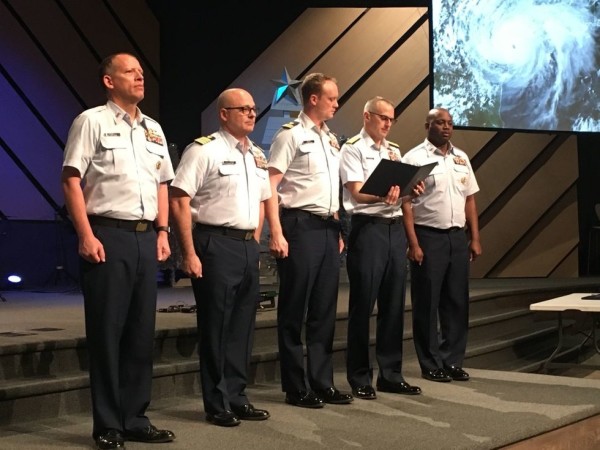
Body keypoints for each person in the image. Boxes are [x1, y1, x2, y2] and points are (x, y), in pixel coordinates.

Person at [61, 52, 175, 449]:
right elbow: (71, 180)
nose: (140, 77)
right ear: (109, 81)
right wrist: (85, 234)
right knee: (107, 332)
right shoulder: (91, 121)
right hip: (107, 234)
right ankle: (108, 424)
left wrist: (163, 231)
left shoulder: (153, 129)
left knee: (141, 333)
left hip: (145, 237)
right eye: (130, 72)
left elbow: (162, 184)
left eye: (142, 72)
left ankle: (135, 418)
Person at [169, 88, 271, 427]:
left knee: (243, 326)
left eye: (253, 108)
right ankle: (216, 403)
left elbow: (262, 200)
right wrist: (189, 252)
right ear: (224, 114)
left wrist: (254, 240)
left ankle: (238, 396)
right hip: (215, 242)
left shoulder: (257, 154)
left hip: (246, 245)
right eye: (243, 109)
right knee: (216, 327)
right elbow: (179, 199)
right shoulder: (204, 150)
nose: (252, 113)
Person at [266, 72, 353, 408]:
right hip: (299, 225)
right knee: (294, 309)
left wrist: (339, 228)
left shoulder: (330, 139)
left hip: (328, 228)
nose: (337, 104)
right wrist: (276, 231)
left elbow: (334, 188)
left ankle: (322, 381)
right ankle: (295, 386)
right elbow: (271, 186)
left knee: (324, 310)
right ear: (313, 99)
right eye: (332, 98)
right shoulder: (290, 135)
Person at [340, 96, 423, 400]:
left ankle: (391, 374)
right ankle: (359, 377)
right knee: (363, 305)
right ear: (367, 116)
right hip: (368, 229)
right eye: (383, 117)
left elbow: (400, 193)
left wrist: (411, 190)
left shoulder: (394, 150)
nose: (388, 123)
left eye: (391, 119)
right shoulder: (352, 148)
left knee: (393, 305)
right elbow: (356, 193)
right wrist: (384, 196)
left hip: (394, 228)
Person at [401, 107, 482, 383]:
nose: (446, 127)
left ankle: (452, 360)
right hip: (428, 236)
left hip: (457, 237)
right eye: (439, 123)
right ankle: (430, 363)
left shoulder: (461, 158)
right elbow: (406, 203)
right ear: (428, 126)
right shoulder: (414, 158)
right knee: (427, 302)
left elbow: (470, 199)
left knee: (457, 301)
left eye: (449, 123)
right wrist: (413, 243)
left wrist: (474, 237)